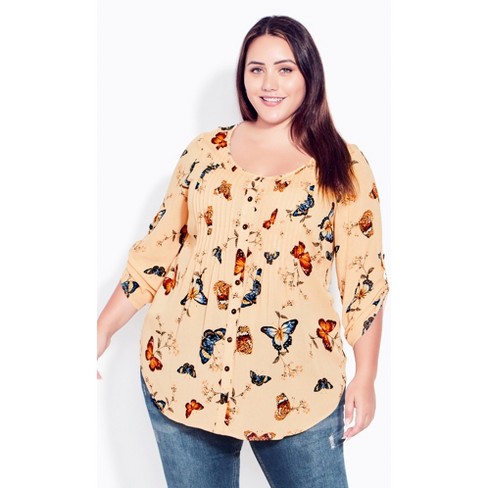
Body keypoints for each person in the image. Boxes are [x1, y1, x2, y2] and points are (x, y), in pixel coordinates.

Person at [98, 14, 389, 488]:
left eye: (285, 69)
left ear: (309, 75)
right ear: (243, 75)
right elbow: (156, 252)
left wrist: (367, 376)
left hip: (297, 389)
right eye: (256, 69)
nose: (269, 83)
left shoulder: (344, 165)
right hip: (184, 377)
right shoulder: (204, 152)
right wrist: (100, 331)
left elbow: (365, 281)